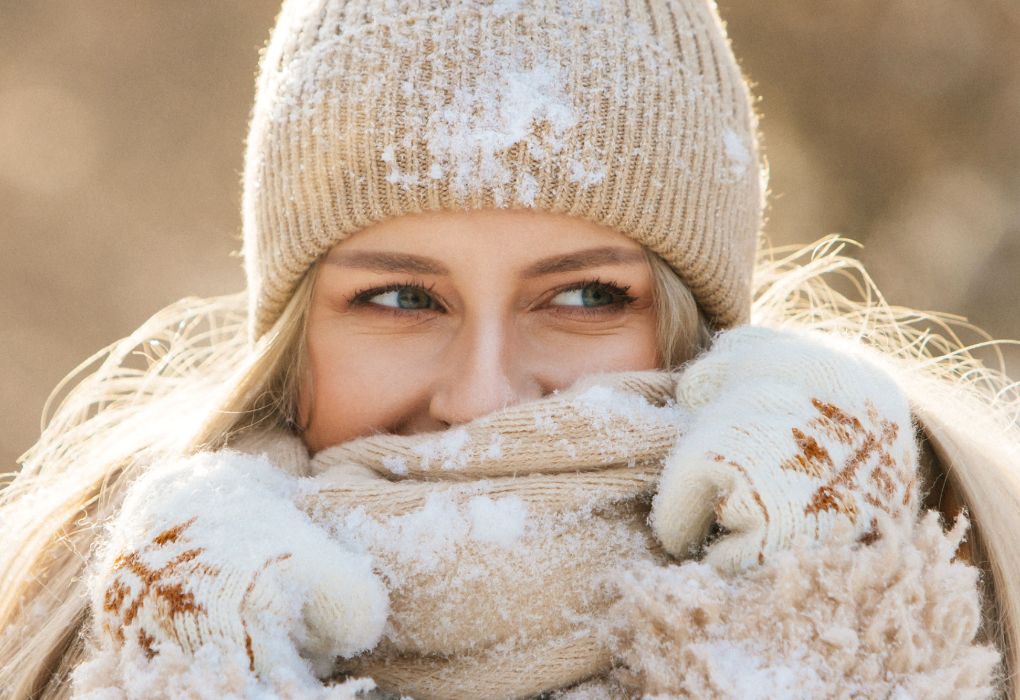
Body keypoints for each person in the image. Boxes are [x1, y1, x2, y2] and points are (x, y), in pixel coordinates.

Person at [1, 1, 1017, 698]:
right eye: (400, 297)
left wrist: (832, 627)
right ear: (295, 342)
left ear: (696, 331)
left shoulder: (973, 632)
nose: (481, 392)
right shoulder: (67, 648)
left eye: (582, 295)